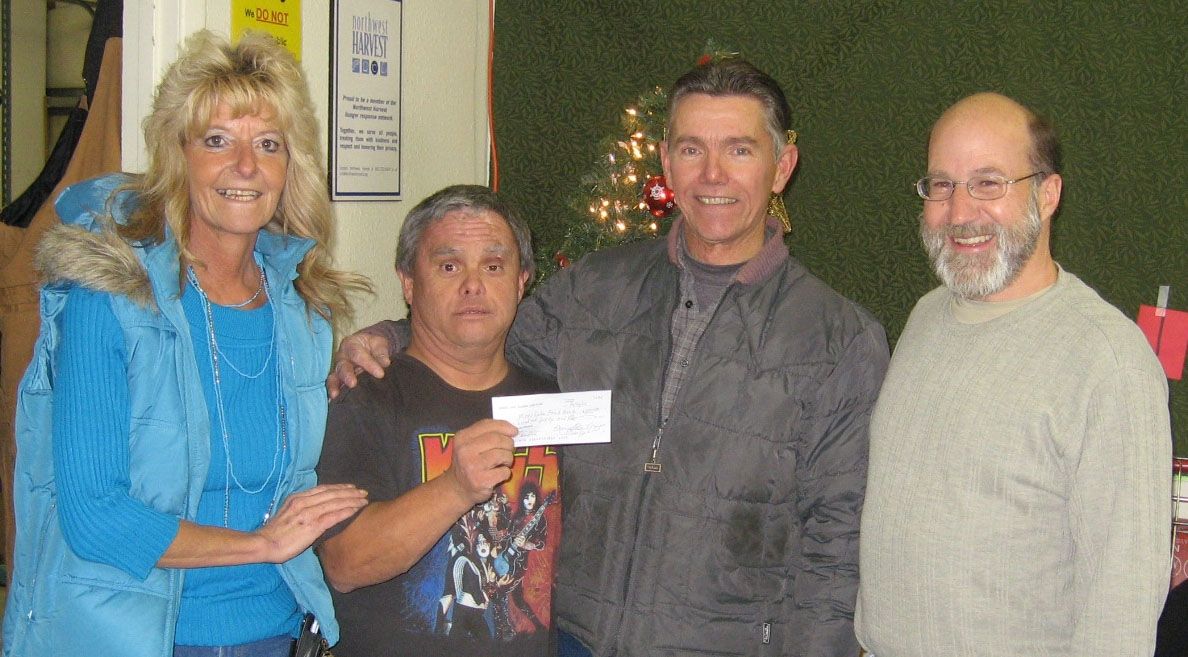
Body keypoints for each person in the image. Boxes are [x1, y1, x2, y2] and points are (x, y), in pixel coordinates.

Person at [330, 59, 889, 656]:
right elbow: (482, 332)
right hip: (573, 640)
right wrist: (392, 335)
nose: (713, 175)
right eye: (692, 149)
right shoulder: (595, 290)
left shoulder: (839, 340)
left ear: (782, 168)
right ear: (667, 163)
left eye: (740, 151)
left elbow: (837, 545)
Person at [1, 30, 370, 657]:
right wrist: (261, 544)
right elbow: (93, 518)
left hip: (277, 632)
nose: (246, 167)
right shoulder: (111, 294)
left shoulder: (301, 309)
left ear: (290, 166)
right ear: (179, 154)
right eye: (218, 141)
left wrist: (379, 344)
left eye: (268, 144)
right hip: (142, 639)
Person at [855, 92, 1172, 656]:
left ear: (1047, 194)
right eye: (942, 185)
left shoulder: (1109, 363)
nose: (959, 212)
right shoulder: (927, 316)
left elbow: (1121, 613)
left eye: (988, 183)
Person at [316, 185, 561, 657]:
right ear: (408, 282)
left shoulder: (550, 398)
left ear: (521, 281)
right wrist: (454, 488)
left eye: (493, 266)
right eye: (449, 266)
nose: (473, 285)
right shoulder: (365, 394)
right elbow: (344, 563)